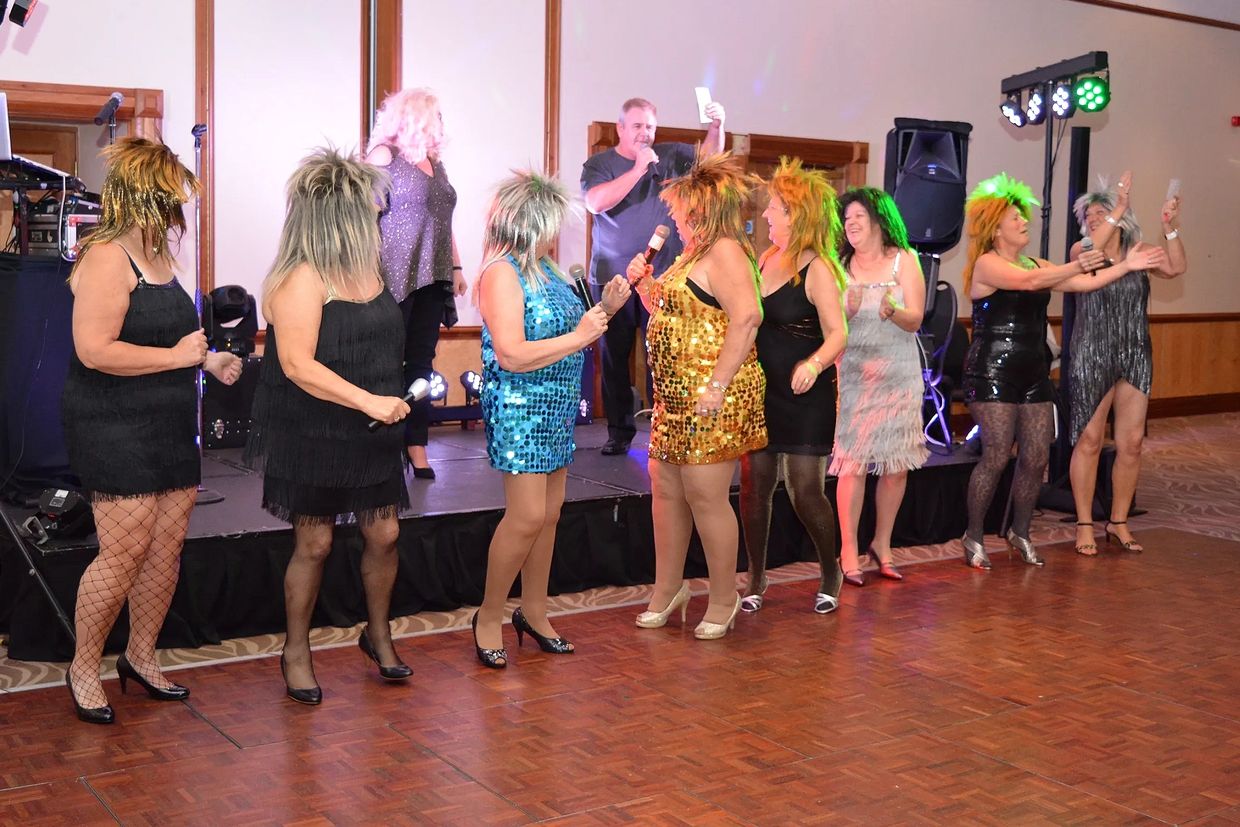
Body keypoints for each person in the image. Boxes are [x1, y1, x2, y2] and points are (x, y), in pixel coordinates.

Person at [61, 137, 242, 724]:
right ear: (144, 194)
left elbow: (176, 344)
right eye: (170, 197)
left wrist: (208, 360)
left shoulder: (163, 257)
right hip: (112, 420)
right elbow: (93, 351)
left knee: (164, 550)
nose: (178, 210)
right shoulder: (109, 255)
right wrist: (180, 359)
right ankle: (83, 667)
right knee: (124, 552)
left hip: (166, 419)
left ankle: (140, 657)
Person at [245, 149, 413, 705]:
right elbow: (297, 365)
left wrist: (389, 401)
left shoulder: (369, 266)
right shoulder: (300, 277)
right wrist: (369, 401)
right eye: (368, 209)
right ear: (336, 215)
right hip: (314, 426)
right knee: (313, 543)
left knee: (384, 533)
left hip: (372, 425)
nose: (376, 217)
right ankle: (295, 650)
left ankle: (378, 632)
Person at [960, 174, 1165, 569]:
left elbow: (1083, 284)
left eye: (1023, 217)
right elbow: (1034, 282)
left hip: (1033, 371)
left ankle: (1019, 532)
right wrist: (1076, 264)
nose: (1024, 222)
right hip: (991, 372)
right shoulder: (987, 264)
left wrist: (1126, 264)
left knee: (1037, 457)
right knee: (998, 454)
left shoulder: (1036, 260)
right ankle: (972, 535)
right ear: (995, 228)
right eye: (1016, 218)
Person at [471, 171, 629, 668]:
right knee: (526, 517)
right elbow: (513, 354)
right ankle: (488, 615)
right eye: (549, 224)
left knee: (551, 514)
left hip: (557, 406)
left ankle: (534, 611)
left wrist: (606, 308)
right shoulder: (501, 272)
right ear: (527, 221)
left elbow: (572, 326)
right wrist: (583, 335)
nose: (555, 233)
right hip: (520, 406)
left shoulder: (550, 269)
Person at [627, 152, 766, 640]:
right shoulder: (691, 253)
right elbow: (682, 312)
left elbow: (747, 317)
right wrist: (647, 288)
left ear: (702, 210)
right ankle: (669, 589)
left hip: (712, 395)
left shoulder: (725, 249)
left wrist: (716, 385)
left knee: (707, 497)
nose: (675, 221)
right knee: (666, 492)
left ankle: (724, 598)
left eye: (682, 212)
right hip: (675, 398)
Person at [582, 95, 726, 455]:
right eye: (637, 126)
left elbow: (710, 159)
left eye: (649, 126)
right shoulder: (600, 163)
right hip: (612, 278)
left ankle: (661, 426)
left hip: (662, 278)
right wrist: (637, 171)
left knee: (660, 352)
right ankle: (619, 432)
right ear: (620, 128)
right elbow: (595, 202)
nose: (644, 133)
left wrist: (716, 127)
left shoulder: (671, 155)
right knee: (614, 358)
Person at [739, 158, 848, 615]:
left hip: (807, 396)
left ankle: (831, 571)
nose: (766, 215)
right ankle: (757, 578)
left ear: (798, 215)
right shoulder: (765, 258)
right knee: (754, 488)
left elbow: (839, 332)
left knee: (806, 491)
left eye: (776, 208)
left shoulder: (818, 268)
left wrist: (816, 362)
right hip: (764, 393)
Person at [1067, 171, 1187, 555]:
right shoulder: (1081, 252)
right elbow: (1089, 253)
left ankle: (1118, 521)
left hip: (1135, 350)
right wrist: (1115, 208)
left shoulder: (1138, 250)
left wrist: (1170, 228)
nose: (1094, 219)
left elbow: (1175, 268)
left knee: (1131, 443)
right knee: (1089, 440)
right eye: (1089, 215)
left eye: (1100, 212)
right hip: (1092, 350)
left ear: (1124, 218)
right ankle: (1084, 523)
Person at [366, 88, 466, 481]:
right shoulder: (384, 156)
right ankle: (385, 445)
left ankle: (416, 444)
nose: (440, 123)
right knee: (386, 361)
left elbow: (445, 221)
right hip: (391, 274)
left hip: (432, 274)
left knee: (422, 362)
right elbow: (362, 218)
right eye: (435, 115)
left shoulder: (435, 164)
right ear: (414, 117)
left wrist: (456, 266)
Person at [831, 187, 928, 587]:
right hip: (854, 373)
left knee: (895, 466)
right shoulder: (838, 266)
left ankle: (882, 545)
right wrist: (847, 311)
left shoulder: (904, 260)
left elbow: (917, 319)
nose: (851, 224)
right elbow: (828, 325)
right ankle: (848, 550)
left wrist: (895, 311)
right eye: (846, 219)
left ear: (879, 219)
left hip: (899, 373)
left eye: (858, 216)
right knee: (851, 464)